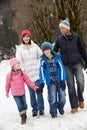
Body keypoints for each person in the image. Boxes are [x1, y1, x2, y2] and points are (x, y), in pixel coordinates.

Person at [54, 19, 87, 114]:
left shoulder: (76, 37)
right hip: (66, 65)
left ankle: (80, 98)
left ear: (67, 28)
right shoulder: (59, 39)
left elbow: (82, 50)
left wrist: (86, 61)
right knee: (71, 86)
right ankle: (74, 106)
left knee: (81, 82)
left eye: (62, 28)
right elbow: (55, 51)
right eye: (60, 28)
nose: (61, 30)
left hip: (77, 63)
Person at [16, 29, 44, 117]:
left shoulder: (35, 46)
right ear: (22, 38)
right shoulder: (20, 49)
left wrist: (41, 65)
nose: (26, 38)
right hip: (27, 75)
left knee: (39, 92)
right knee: (32, 93)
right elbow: (18, 61)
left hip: (37, 73)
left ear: (30, 37)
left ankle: (41, 108)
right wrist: (22, 71)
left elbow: (41, 56)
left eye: (27, 36)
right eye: (24, 37)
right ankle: (34, 110)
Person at [5, 58, 40, 124]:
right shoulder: (9, 75)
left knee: (24, 105)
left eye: (19, 63)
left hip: (22, 93)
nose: (19, 64)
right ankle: (23, 117)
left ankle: (24, 110)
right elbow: (7, 84)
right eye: (17, 63)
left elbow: (28, 82)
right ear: (13, 66)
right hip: (15, 94)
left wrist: (34, 87)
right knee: (20, 106)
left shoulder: (22, 73)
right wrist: (7, 91)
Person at [39, 42, 66, 118]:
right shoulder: (43, 60)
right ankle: (53, 112)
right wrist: (42, 82)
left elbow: (62, 69)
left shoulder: (57, 57)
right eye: (44, 50)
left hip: (59, 81)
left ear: (50, 49)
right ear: (43, 51)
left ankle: (60, 107)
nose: (46, 51)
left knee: (62, 97)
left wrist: (63, 80)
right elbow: (41, 72)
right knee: (52, 98)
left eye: (48, 49)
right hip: (50, 83)